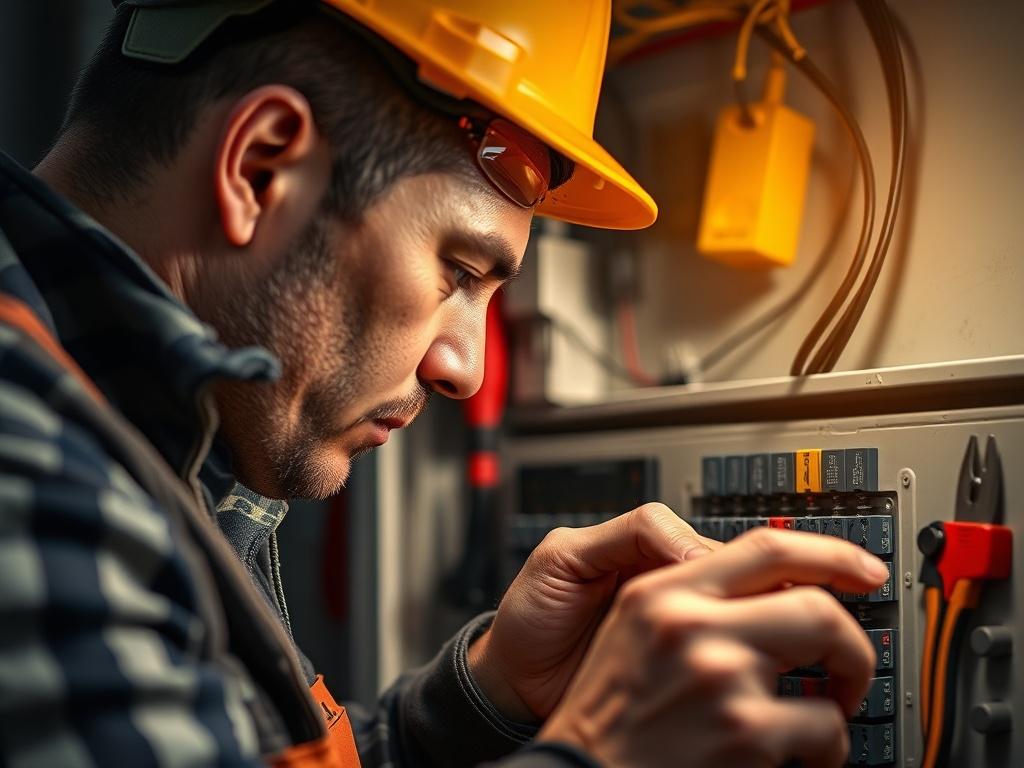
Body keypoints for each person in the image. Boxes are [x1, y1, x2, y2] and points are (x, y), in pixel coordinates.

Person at [0, 1, 890, 766]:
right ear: (263, 166)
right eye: (459, 272)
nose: (461, 366)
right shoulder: (30, 467)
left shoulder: (168, 436)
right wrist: (599, 749)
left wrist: (482, 699)